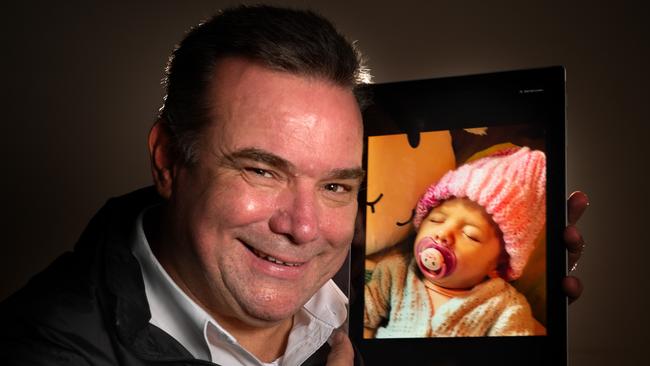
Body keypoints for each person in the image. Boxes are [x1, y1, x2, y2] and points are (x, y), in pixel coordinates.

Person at [0, 4, 587, 366]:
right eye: (262, 170)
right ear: (168, 161)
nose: (304, 228)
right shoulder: (44, 348)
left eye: (336, 187)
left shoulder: (364, 303)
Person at [364, 147, 547, 337]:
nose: (443, 233)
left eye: (470, 234)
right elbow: (363, 321)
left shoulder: (505, 308)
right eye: (436, 220)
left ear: (498, 263)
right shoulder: (394, 273)